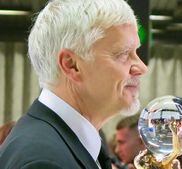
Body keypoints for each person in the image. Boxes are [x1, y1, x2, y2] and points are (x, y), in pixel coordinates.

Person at [0, 0, 147, 168]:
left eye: (135, 52)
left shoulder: (64, 142)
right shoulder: (44, 161)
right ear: (71, 65)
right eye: (123, 53)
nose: (141, 68)